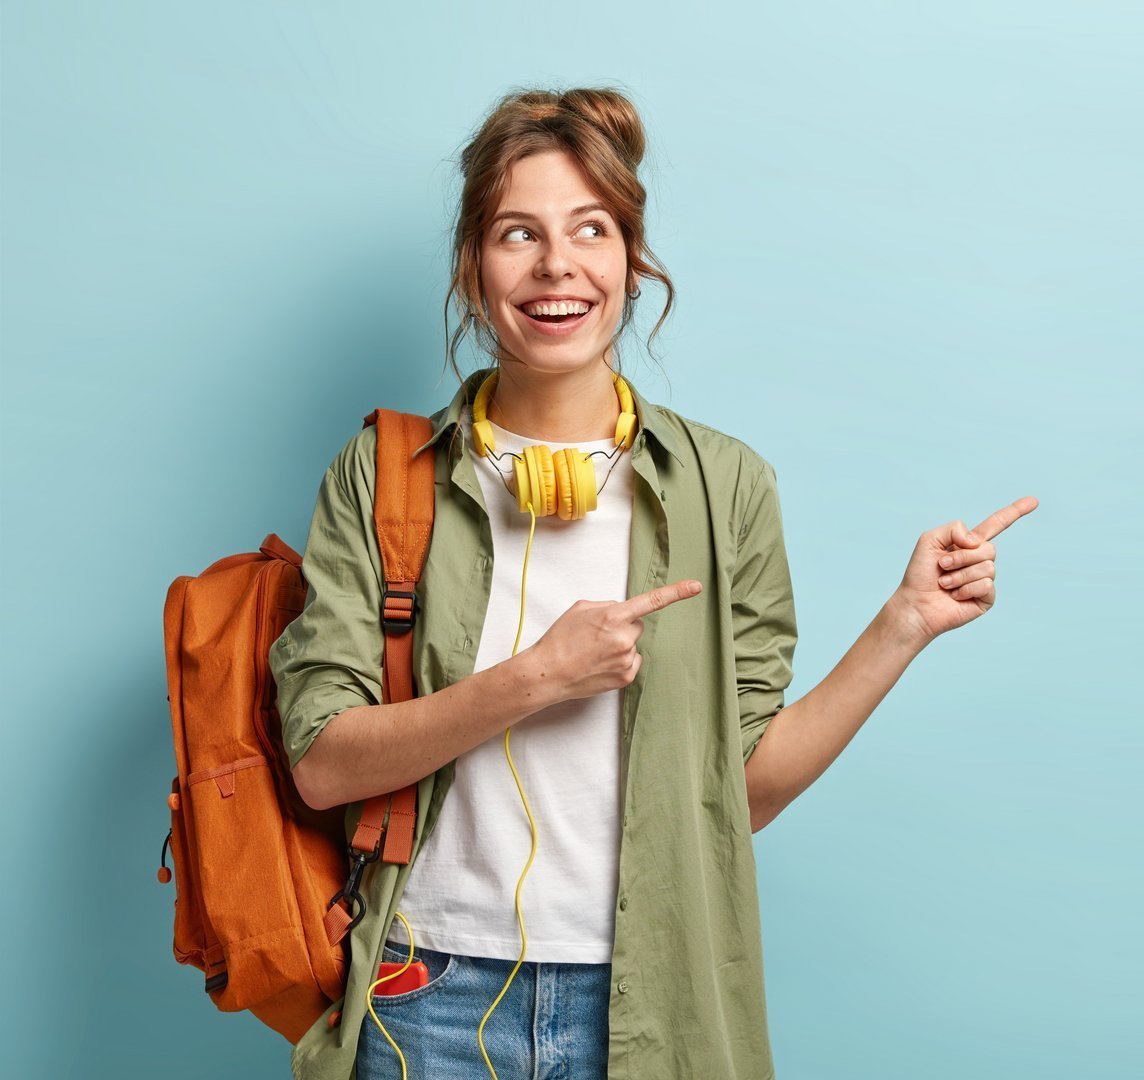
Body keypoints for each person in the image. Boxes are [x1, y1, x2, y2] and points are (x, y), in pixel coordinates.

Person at [268, 86, 1037, 1080]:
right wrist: (533, 679)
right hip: (425, 996)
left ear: (631, 264)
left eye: (591, 229)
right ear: (472, 270)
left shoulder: (726, 488)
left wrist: (903, 624)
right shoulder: (383, 476)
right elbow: (324, 766)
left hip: (652, 994)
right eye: (517, 233)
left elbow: (744, 794)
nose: (557, 265)